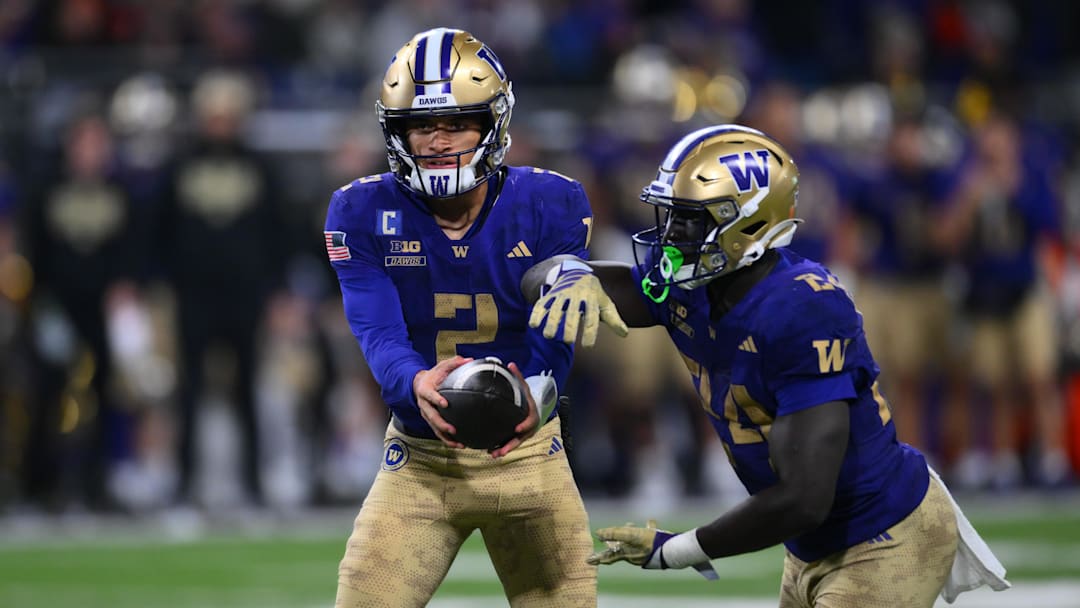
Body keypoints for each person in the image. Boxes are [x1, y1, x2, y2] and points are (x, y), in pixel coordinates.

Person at [524, 124, 1010, 606]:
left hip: (881, 534)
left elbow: (805, 498)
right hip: (809, 545)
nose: (670, 236)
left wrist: (677, 548)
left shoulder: (801, 308)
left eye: (689, 221)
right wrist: (569, 273)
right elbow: (551, 282)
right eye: (670, 217)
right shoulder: (691, 283)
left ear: (748, 224)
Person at [324, 28, 597, 607]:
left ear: (492, 123)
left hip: (527, 453)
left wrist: (538, 396)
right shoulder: (360, 209)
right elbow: (376, 328)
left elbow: (556, 331)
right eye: (421, 125)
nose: (438, 140)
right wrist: (413, 381)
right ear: (397, 132)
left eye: (457, 122)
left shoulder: (551, 202)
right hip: (423, 457)